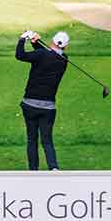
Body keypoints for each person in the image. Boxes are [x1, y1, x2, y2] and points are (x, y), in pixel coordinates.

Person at [15, 29, 70, 170]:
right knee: (47, 140)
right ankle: (53, 168)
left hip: (29, 105)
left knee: (32, 140)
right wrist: (36, 43)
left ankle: (34, 171)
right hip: (48, 108)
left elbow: (20, 55)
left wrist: (22, 39)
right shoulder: (64, 60)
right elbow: (47, 56)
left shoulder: (41, 54)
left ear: (52, 41)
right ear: (66, 46)